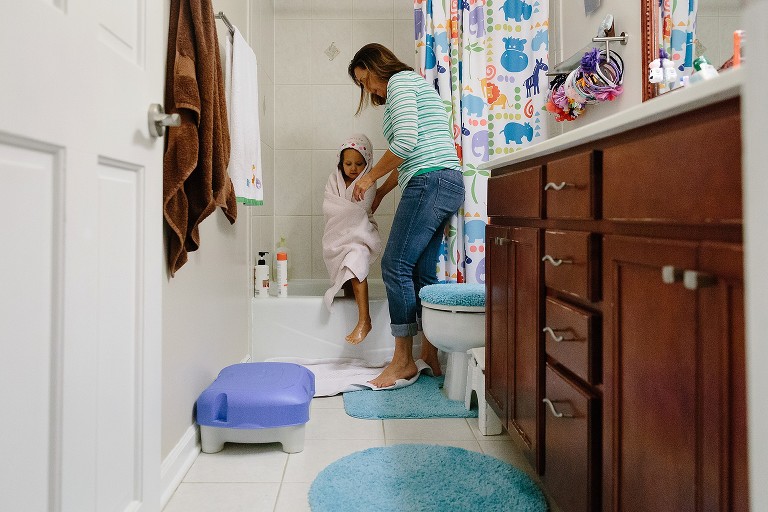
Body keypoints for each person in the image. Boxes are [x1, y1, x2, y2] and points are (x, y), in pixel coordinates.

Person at [347, 43, 465, 388]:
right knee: (420, 272)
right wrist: (382, 192)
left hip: (431, 181)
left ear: (374, 65)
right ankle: (429, 354)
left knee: (394, 266)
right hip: (446, 180)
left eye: (364, 79)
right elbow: (416, 148)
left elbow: (406, 144)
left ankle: (402, 362)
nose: (368, 89)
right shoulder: (412, 85)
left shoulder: (399, 82)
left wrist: (369, 177)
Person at [321, 133, 382, 344]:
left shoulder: (368, 181)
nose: (353, 168)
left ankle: (365, 320)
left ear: (367, 164)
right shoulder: (334, 179)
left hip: (359, 234)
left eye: (359, 163)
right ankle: (352, 313)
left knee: (356, 268)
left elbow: (361, 210)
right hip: (339, 235)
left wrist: (347, 211)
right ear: (340, 162)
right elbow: (329, 205)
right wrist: (345, 211)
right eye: (348, 163)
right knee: (345, 277)